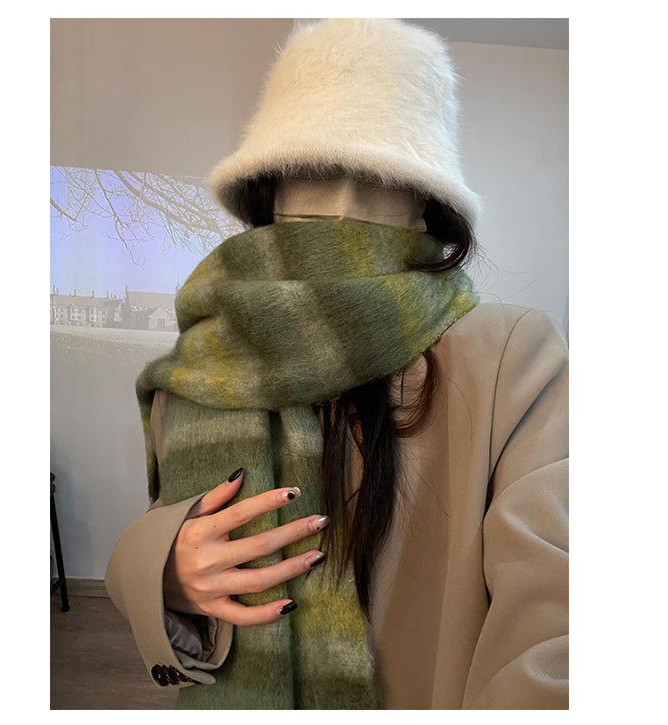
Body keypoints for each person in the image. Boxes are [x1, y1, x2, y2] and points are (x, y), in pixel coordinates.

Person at [105, 18, 568, 709]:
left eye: (379, 177)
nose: (341, 201)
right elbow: (168, 529)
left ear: (425, 203)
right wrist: (158, 568)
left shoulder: (509, 358)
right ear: (268, 189)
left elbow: (559, 608)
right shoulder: (198, 369)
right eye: (308, 171)